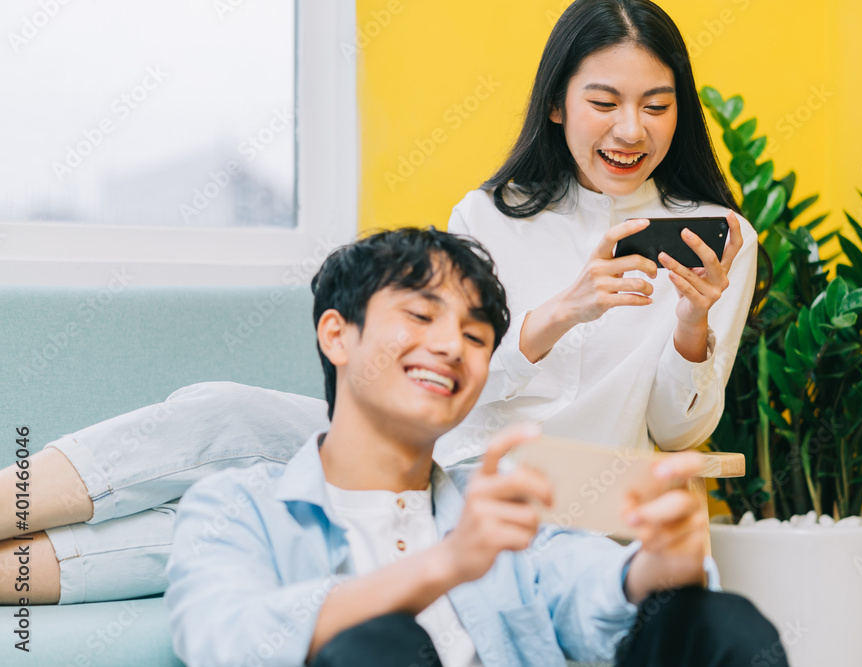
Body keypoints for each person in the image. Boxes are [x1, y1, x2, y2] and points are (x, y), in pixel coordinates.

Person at [0, 0, 762, 605]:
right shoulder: (492, 214)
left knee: (255, 513)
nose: (631, 129)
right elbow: (454, 384)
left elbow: (678, 427)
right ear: (559, 105)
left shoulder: (720, 239)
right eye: (604, 101)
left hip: (546, 495)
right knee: (219, 409)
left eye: (656, 106)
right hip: (430, 442)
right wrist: (557, 315)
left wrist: (692, 324)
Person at [166, 227, 786, 667]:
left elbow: (591, 587)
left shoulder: (491, 511)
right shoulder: (237, 506)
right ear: (338, 335)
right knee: (374, 644)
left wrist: (664, 560)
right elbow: (224, 638)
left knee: (717, 621)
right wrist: (447, 563)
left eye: (475, 334)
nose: (451, 346)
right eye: (419, 316)